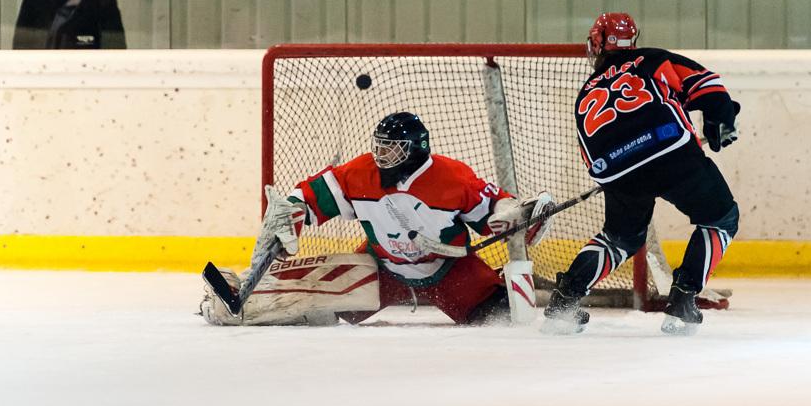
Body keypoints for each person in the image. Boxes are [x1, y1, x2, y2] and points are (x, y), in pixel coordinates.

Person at [200, 112, 554, 327]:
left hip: (449, 269)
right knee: (325, 314)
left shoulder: (453, 178)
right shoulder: (360, 172)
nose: (381, 155)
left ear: (415, 149)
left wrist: (514, 214)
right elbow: (310, 195)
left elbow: (496, 211)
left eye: (392, 148)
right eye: (380, 146)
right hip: (380, 266)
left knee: (498, 319)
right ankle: (243, 295)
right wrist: (292, 210)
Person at [542, 12, 741, 336]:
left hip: (619, 170)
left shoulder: (586, 92)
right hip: (672, 153)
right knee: (721, 218)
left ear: (596, 44)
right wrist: (720, 120)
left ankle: (564, 301)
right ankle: (683, 298)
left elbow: (591, 155)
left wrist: (617, 176)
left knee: (619, 238)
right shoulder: (651, 59)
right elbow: (707, 84)